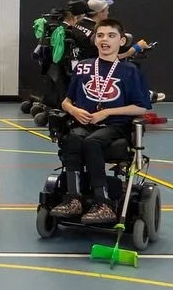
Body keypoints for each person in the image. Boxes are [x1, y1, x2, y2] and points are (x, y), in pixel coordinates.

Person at [50, 18, 152, 224]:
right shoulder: (84, 67)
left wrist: (106, 113)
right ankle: (74, 199)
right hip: (84, 123)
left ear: (121, 41)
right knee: (72, 140)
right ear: (95, 40)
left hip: (115, 126)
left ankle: (103, 203)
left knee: (92, 142)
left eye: (111, 36)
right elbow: (66, 101)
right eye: (101, 35)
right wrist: (73, 110)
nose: (105, 40)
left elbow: (141, 106)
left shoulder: (129, 71)